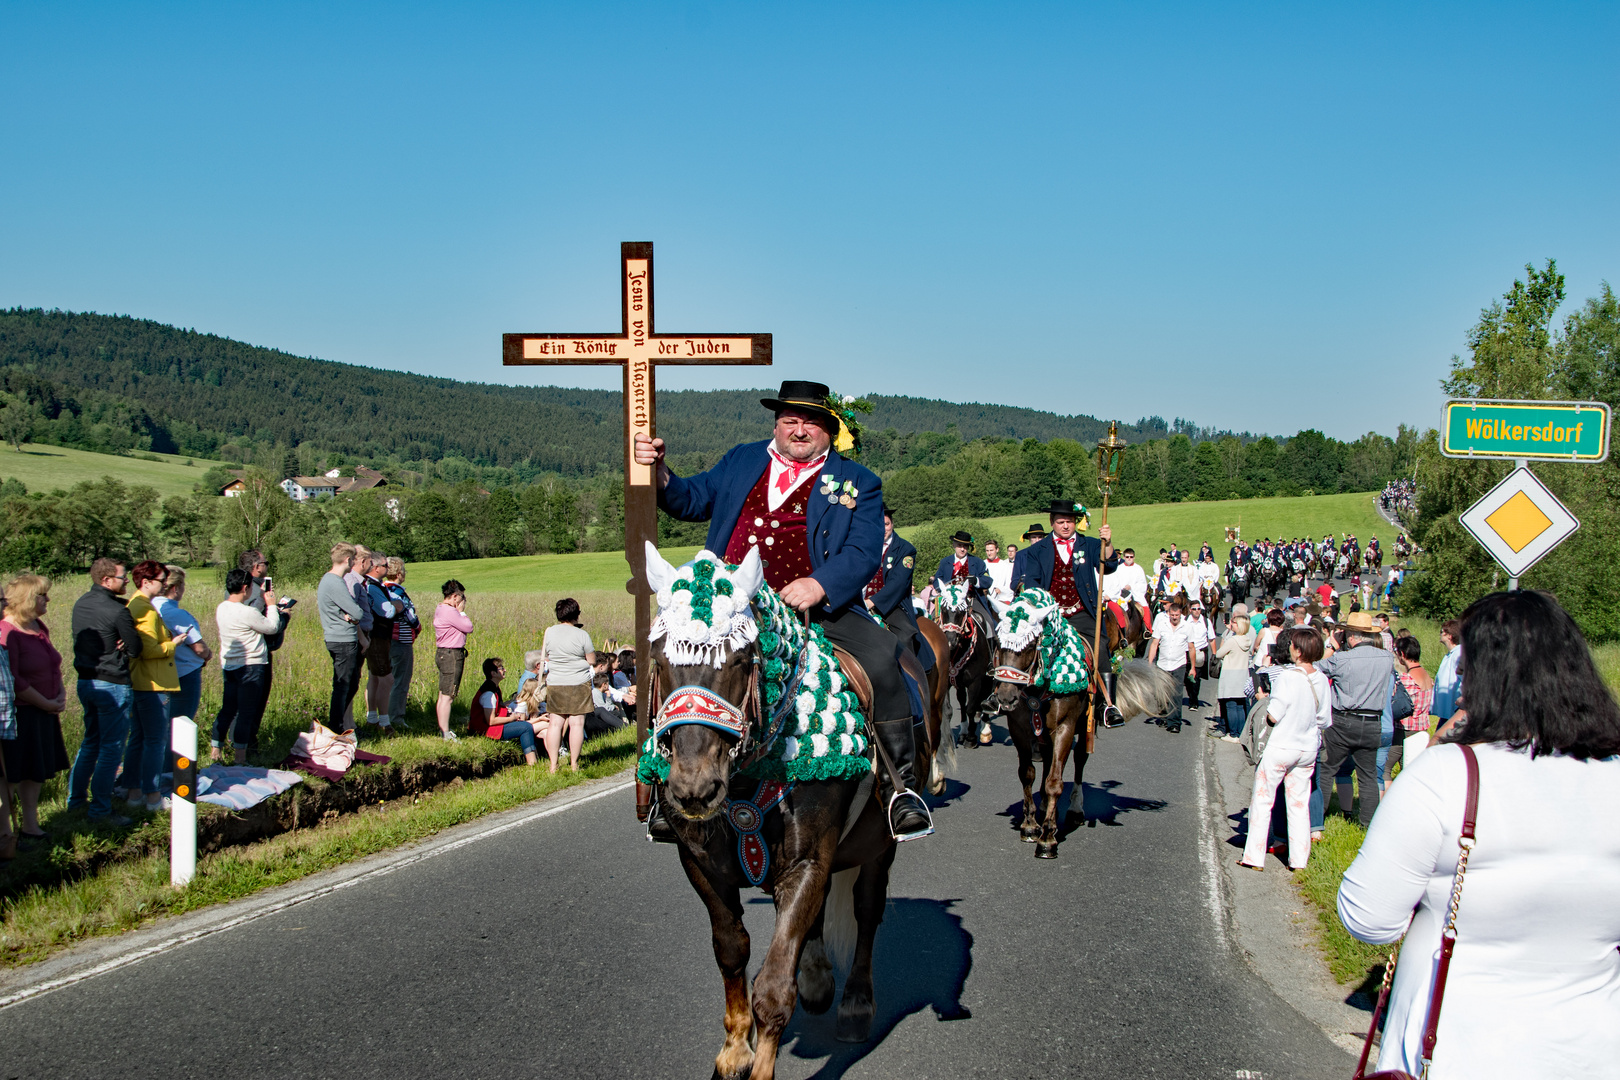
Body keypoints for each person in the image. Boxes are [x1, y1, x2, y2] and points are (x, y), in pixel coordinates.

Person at [1337, 590, 1620, 1078]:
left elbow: (1368, 918)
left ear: (1492, 680)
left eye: (1467, 674)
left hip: (1457, 1043)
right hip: (1592, 1047)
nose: (1461, 691)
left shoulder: (1450, 774)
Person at [635, 378, 929, 837]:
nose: (798, 429)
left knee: (882, 660)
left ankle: (900, 788)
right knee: (677, 665)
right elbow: (691, 499)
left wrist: (820, 583)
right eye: (789, 420)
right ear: (776, 424)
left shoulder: (859, 482)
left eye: (810, 422)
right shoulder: (742, 459)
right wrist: (662, 476)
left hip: (817, 609)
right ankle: (664, 790)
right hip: (732, 609)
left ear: (829, 429)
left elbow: (864, 550)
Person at [1010, 498, 1119, 725]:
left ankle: (1108, 706)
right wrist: (1039, 608)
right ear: (1052, 522)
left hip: (1082, 612)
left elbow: (1109, 566)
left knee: (1100, 649)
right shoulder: (1036, 551)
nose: (1066, 526)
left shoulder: (1089, 544)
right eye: (1061, 522)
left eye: (1069, 521)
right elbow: (1031, 581)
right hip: (1050, 615)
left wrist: (1107, 543)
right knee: (1023, 647)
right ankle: (1011, 697)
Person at [1238, 627, 1330, 871]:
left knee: (1262, 799)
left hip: (1282, 745)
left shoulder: (1288, 677)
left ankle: (1254, 857)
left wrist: (1263, 704)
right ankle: (1299, 860)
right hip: (1308, 747)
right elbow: (1324, 720)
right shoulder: (1321, 679)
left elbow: (1273, 716)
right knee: (1299, 804)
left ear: (1298, 651)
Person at [67, 558, 142, 825]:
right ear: (106, 580)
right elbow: (135, 649)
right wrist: (125, 643)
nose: (126, 581)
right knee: (111, 749)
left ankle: (75, 801)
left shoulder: (81, 603)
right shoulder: (118, 611)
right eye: (123, 577)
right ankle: (100, 809)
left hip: (86, 682)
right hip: (113, 684)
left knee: (90, 743)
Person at [1, 575, 68, 842]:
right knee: (13, 774)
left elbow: (53, 664)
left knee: (35, 771)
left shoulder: (37, 625)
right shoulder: (8, 630)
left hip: (44, 711)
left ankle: (31, 824)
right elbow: (14, 678)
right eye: (43, 595)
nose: (48, 599)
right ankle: (7, 833)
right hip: (22, 712)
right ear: (29, 598)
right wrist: (45, 702)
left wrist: (60, 694)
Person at [1314, 611, 1391, 827]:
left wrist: (1331, 648)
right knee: (1367, 775)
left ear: (1351, 637)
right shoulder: (1387, 658)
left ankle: (1318, 818)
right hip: (1373, 721)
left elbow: (1315, 669)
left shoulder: (1341, 659)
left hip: (1343, 720)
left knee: (1328, 769)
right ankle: (1367, 823)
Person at [121, 561, 186, 813]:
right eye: (161, 580)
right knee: (155, 741)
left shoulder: (138, 605)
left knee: (138, 738)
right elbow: (147, 650)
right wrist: (174, 644)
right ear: (146, 582)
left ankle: (134, 792)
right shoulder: (144, 609)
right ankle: (153, 797)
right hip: (153, 683)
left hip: (143, 682)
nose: (164, 585)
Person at [213, 567, 281, 765]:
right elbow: (271, 627)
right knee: (246, 712)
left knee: (227, 709)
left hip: (230, 665)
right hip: (251, 665)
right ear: (245, 588)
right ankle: (240, 758)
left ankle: (215, 751)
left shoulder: (222, 608)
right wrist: (272, 605)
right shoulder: (248, 612)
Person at [863, 504, 927, 668]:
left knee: (905, 634)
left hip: (892, 605)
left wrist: (872, 602)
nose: (883, 529)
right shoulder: (865, 545)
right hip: (861, 601)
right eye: (879, 525)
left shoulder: (905, 549)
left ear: (892, 524)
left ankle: (912, 681)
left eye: (886, 524)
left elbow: (898, 584)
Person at [540, 598, 594, 772]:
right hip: (578, 682)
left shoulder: (550, 632)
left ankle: (553, 764)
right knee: (577, 724)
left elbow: (546, 655)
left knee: (555, 723)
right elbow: (591, 660)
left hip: (556, 682)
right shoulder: (582, 635)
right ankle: (574, 763)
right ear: (576, 615)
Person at [317, 543, 366, 734]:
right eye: (353, 559)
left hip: (340, 637)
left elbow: (350, 613)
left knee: (350, 683)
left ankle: (337, 725)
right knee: (344, 685)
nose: (354, 563)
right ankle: (335, 727)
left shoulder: (330, 581)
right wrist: (350, 615)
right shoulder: (335, 582)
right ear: (347, 560)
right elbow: (357, 612)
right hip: (342, 640)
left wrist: (349, 615)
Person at [153, 566, 210, 727]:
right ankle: (177, 753)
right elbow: (199, 647)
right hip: (184, 673)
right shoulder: (177, 614)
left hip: (156, 674)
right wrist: (208, 654)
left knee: (160, 725)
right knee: (181, 724)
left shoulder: (148, 608)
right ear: (175, 588)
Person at [466, 657, 544, 766]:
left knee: (525, 725)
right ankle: (532, 763)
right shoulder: (489, 693)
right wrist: (512, 718)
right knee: (525, 728)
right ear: (493, 673)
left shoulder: (495, 688)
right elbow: (491, 721)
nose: (504, 670)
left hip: (492, 726)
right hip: (484, 729)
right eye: (501, 668)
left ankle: (538, 757)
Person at [1146, 598, 1197, 733]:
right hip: (1162, 664)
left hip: (1179, 664)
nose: (1174, 618)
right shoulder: (1162, 625)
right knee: (1162, 693)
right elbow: (1154, 644)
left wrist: (1192, 667)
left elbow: (1191, 648)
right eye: (1172, 615)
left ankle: (1174, 723)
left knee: (1176, 694)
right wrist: (1150, 664)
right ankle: (1163, 716)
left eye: (1177, 616)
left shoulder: (1187, 627)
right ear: (1169, 614)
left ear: (1181, 614)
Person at [361, 554, 398, 731]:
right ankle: (384, 722)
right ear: (376, 568)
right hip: (377, 637)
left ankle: (373, 718)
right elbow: (388, 611)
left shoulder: (375, 585)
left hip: (378, 636)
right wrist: (396, 605)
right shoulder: (372, 587)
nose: (387, 569)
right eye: (385, 565)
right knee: (386, 678)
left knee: (375, 677)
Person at [433, 579, 472, 740]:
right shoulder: (450, 611)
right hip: (452, 654)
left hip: (445, 653)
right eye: (462, 598)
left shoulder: (440, 609)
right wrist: (462, 612)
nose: (463, 601)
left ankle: (444, 729)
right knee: (448, 695)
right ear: (455, 596)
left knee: (444, 694)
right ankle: (445, 732)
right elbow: (468, 627)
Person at [1388, 635, 1433, 771]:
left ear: (1402, 654)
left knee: (1385, 767)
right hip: (1421, 728)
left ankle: (1386, 792)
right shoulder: (1427, 675)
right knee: (1409, 768)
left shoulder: (1407, 679)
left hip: (1405, 729)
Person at [383, 558, 419, 730]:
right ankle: (396, 717)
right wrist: (417, 626)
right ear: (399, 574)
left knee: (386, 679)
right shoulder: (397, 592)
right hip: (400, 639)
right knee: (401, 680)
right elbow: (409, 616)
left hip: (386, 639)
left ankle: (382, 715)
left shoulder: (380, 590)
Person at [1213, 609, 1255, 741]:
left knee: (1230, 705)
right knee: (1239, 705)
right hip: (1242, 674)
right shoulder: (1246, 640)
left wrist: (1228, 635)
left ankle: (1233, 734)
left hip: (1230, 674)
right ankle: (1240, 732)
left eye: (1235, 623)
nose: (1232, 625)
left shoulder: (1232, 640)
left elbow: (1219, 653)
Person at [1102, 547, 1151, 628]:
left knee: (1145, 608)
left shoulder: (1138, 569)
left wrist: (1131, 587)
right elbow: (1115, 583)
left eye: (1131, 557)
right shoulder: (1119, 568)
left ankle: (1147, 629)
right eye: (1127, 557)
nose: (1129, 559)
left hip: (1135, 594)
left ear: (1134, 557)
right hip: (1120, 594)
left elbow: (1143, 584)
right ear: (1124, 557)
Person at [1431, 618, 1462, 730]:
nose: (1440, 634)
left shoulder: (1459, 654)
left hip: (1454, 713)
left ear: (1449, 635)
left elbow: (1465, 679)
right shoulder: (1449, 655)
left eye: (1442, 632)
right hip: (1446, 713)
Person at [982, 538, 1014, 605]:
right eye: (987, 551)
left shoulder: (1005, 566)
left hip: (1000, 599)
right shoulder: (982, 564)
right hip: (984, 599)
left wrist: (1001, 590)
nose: (989, 553)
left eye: (991, 550)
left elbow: (1009, 584)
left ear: (997, 550)